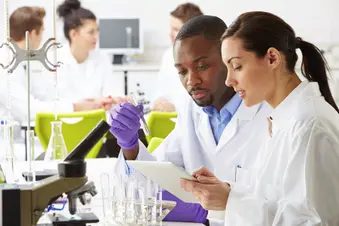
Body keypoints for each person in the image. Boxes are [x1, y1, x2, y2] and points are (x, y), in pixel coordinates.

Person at [109, 15, 272, 225]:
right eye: (182, 71)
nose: (191, 81)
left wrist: (228, 205)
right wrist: (129, 145)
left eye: (202, 66)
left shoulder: (268, 114)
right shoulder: (191, 110)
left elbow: (288, 207)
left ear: (228, 59)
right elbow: (154, 180)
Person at [181, 11, 339, 225]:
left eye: (237, 66)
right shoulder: (283, 119)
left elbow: (316, 221)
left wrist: (231, 202)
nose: (229, 80)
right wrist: (227, 193)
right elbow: (274, 201)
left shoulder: (309, 125)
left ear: (272, 58)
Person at [0, 6, 111, 124]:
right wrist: (75, 107)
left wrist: (88, 102)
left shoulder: (21, 61)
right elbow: (28, 111)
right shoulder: (5, 63)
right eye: (42, 31)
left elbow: (43, 95)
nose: (42, 38)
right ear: (32, 34)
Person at [56, 0, 125, 104]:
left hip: (98, 118)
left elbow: (112, 91)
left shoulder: (102, 58)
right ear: (74, 34)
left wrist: (115, 99)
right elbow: (61, 102)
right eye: (91, 32)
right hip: (67, 119)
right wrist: (95, 103)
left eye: (97, 31)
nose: (96, 37)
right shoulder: (55, 60)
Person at [152, 3, 203, 112]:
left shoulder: (204, 59)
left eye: (175, 29)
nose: (170, 34)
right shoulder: (167, 56)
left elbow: (202, 99)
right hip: (165, 116)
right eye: (170, 28)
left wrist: (174, 106)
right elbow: (161, 90)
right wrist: (158, 100)